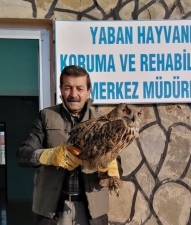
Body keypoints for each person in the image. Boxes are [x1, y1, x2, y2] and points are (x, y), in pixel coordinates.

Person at [16, 65, 121, 225]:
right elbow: (22, 155)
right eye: (68, 88)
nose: (73, 94)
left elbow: (117, 164)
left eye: (79, 88)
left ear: (88, 91)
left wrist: (111, 166)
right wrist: (48, 155)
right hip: (52, 210)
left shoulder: (104, 122)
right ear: (60, 89)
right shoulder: (46, 116)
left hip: (92, 211)